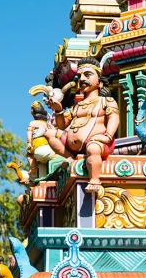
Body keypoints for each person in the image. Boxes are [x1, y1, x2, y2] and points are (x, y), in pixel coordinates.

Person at [44, 57, 119, 192]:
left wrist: (108, 136)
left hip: (98, 142)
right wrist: (59, 109)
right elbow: (61, 125)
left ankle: (95, 180)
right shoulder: (77, 106)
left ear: (100, 83)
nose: (82, 78)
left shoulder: (106, 101)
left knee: (93, 148)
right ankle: (71, 158)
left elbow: (114, 117)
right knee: (49, 133)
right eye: (80, 76)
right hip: (73, 146)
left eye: (88, 75)